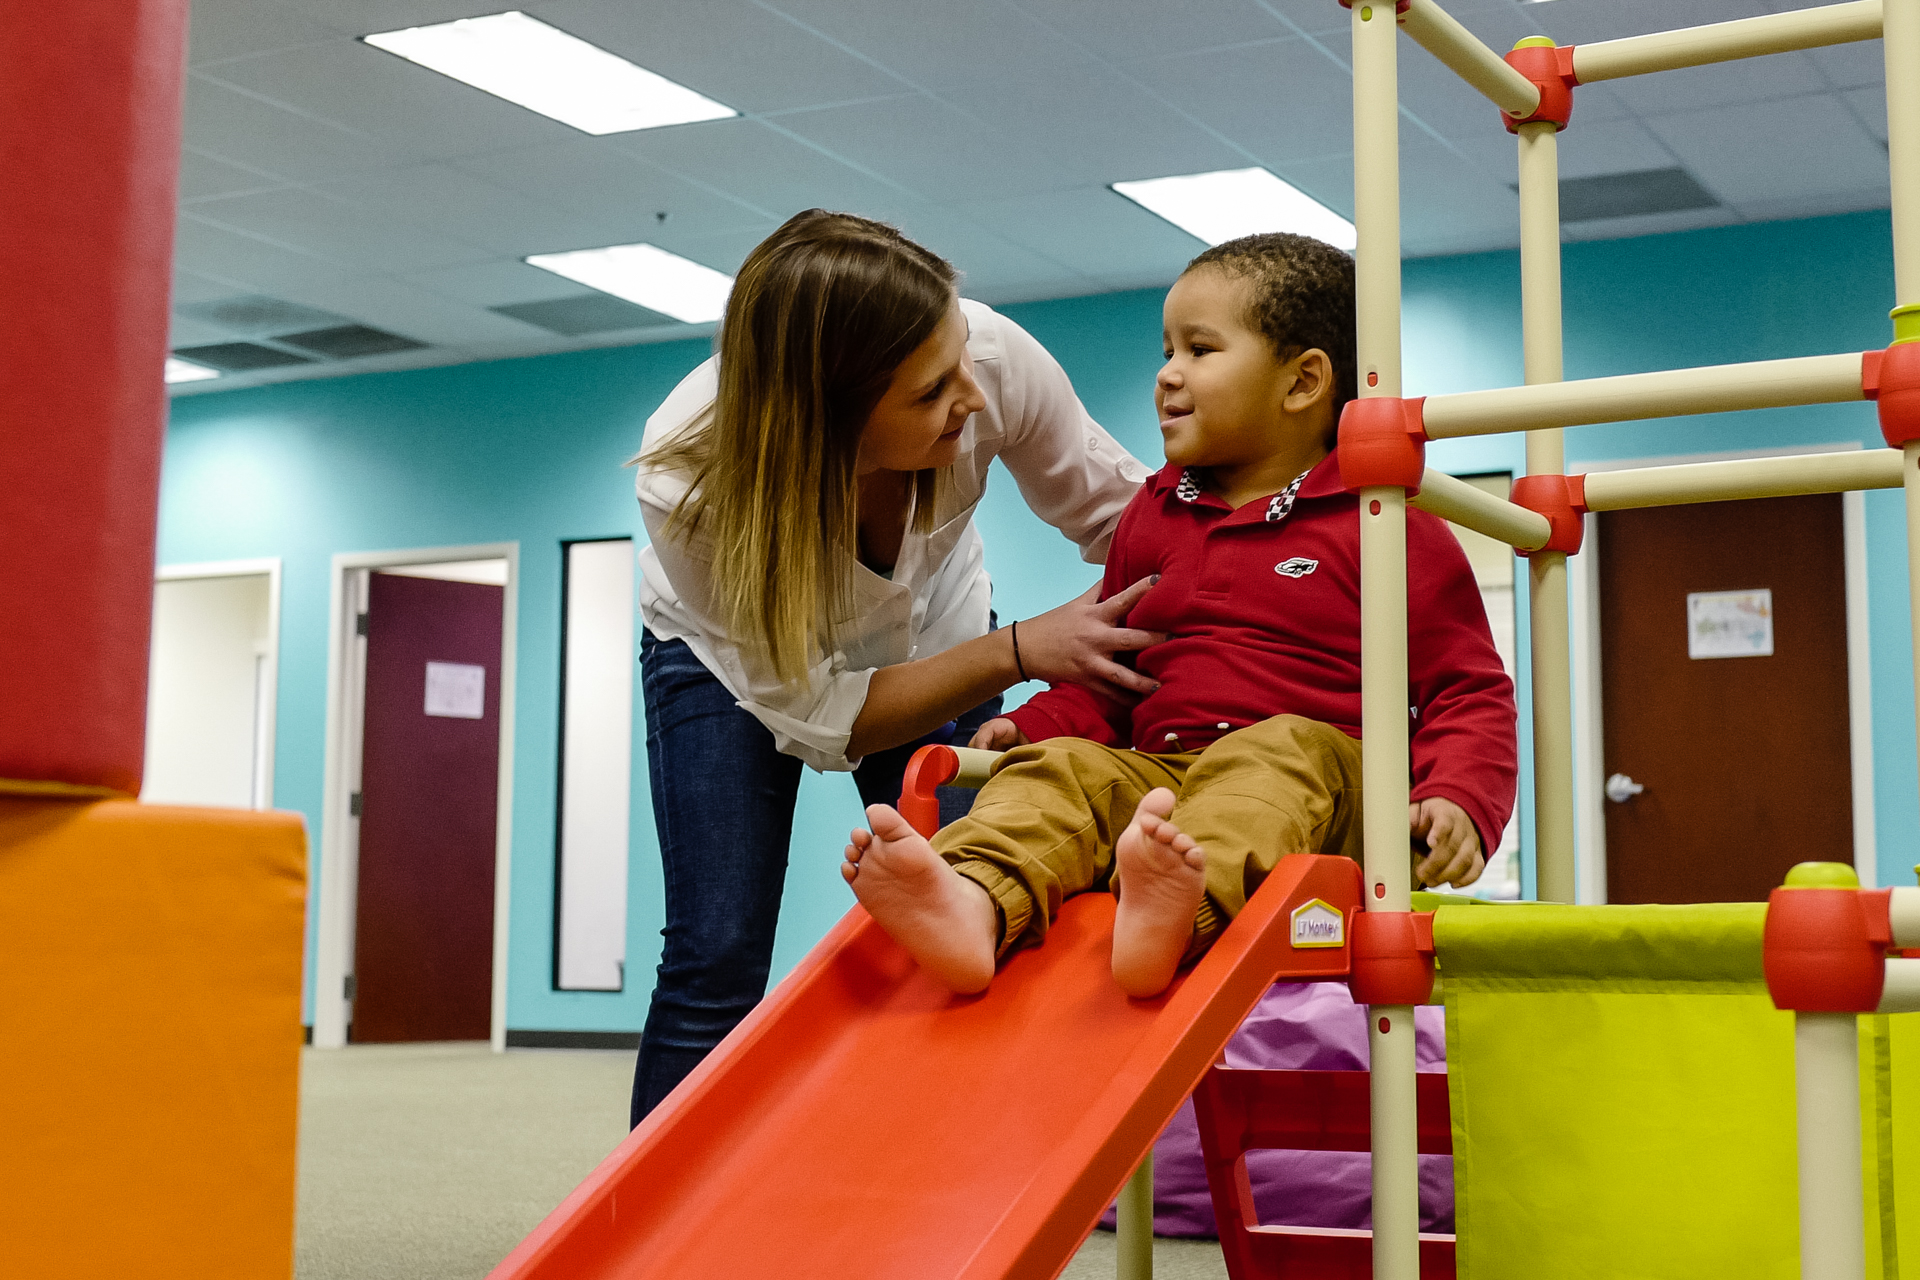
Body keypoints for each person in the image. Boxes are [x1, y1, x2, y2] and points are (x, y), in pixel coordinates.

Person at [840, 232, 1517, 997]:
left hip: (1324, 793)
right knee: (1063, 772)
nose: (1167, 374)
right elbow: (1112, 675)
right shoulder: (1153, 518)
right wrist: (1037, 726)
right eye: (1166, 349)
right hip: (1167, 784)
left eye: (1200, 349)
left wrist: (1458, 797)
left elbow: (1470, 689)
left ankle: (1176, 908)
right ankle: (976, 900)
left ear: (1302, 384)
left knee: (1280, 750)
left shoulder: (1383, 523)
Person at [630, 210, 1163, 1122]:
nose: (968, 395)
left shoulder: (988, 359)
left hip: (938, 636)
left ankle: (959, 1181)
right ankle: (643, 1244)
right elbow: (823, 715)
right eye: (927, 394)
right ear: (828, 414)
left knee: (980, 904)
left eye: (960, 359)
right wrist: (1024, 648)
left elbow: (1133, 525)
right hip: (727, 662)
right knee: (716, 949)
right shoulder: (691, 488)